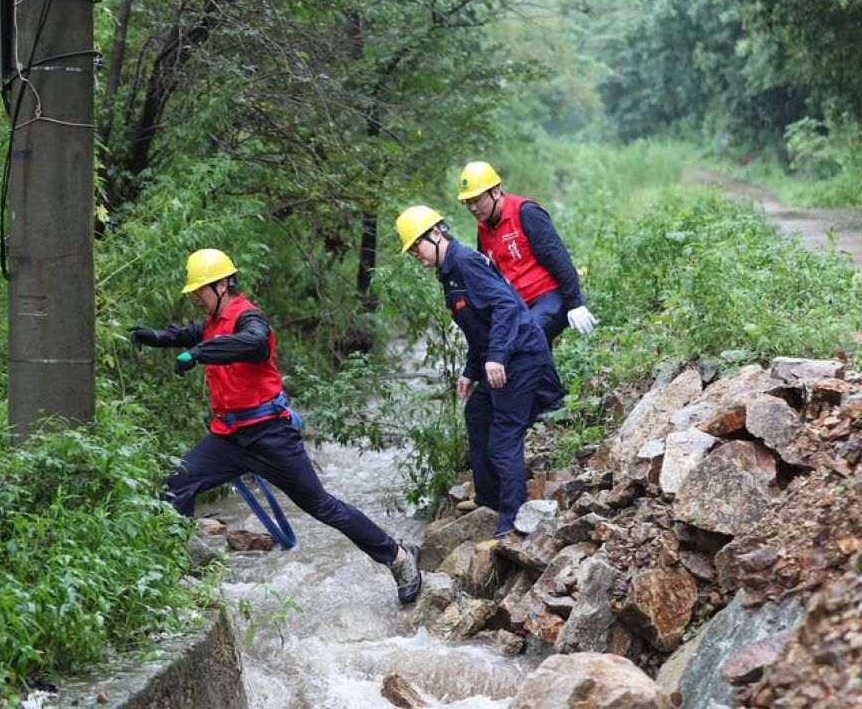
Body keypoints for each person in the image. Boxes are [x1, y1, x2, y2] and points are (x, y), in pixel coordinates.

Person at [130, 248, 422, 604]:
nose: (195, 298)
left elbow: (248, 344)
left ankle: (399, 557)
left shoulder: (251, 321)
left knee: (322, 506)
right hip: (229, 439)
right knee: (176, 486)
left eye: (200, 290)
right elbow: (186, 334)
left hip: (270, 436)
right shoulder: (211, 322)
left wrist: (199, 353)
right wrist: (157, 338)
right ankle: (169, 579)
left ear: (223, 285)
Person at [396, 206, 557, 541]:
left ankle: (511, 519)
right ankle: (487, 497)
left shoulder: (465, 261)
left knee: (503, 438)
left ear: (436, 234)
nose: (415, 254)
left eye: (417, 245)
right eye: (410, 249)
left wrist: (496, 357)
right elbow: (477, 326)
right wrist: (471, 370)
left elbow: (504, 306)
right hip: (503, 356)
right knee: (477, 412)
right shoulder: (448, 272)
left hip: (521, 355)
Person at [455, 161, 597, 346]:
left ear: (495, 191)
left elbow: (560, 259)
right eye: (468, 202)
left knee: (526, 337)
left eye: (477, 200)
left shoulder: (526, 212)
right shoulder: (483, 229)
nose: (473, 208)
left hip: (549, 297)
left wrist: (575, 304)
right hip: (518, 305)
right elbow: (491, 277)